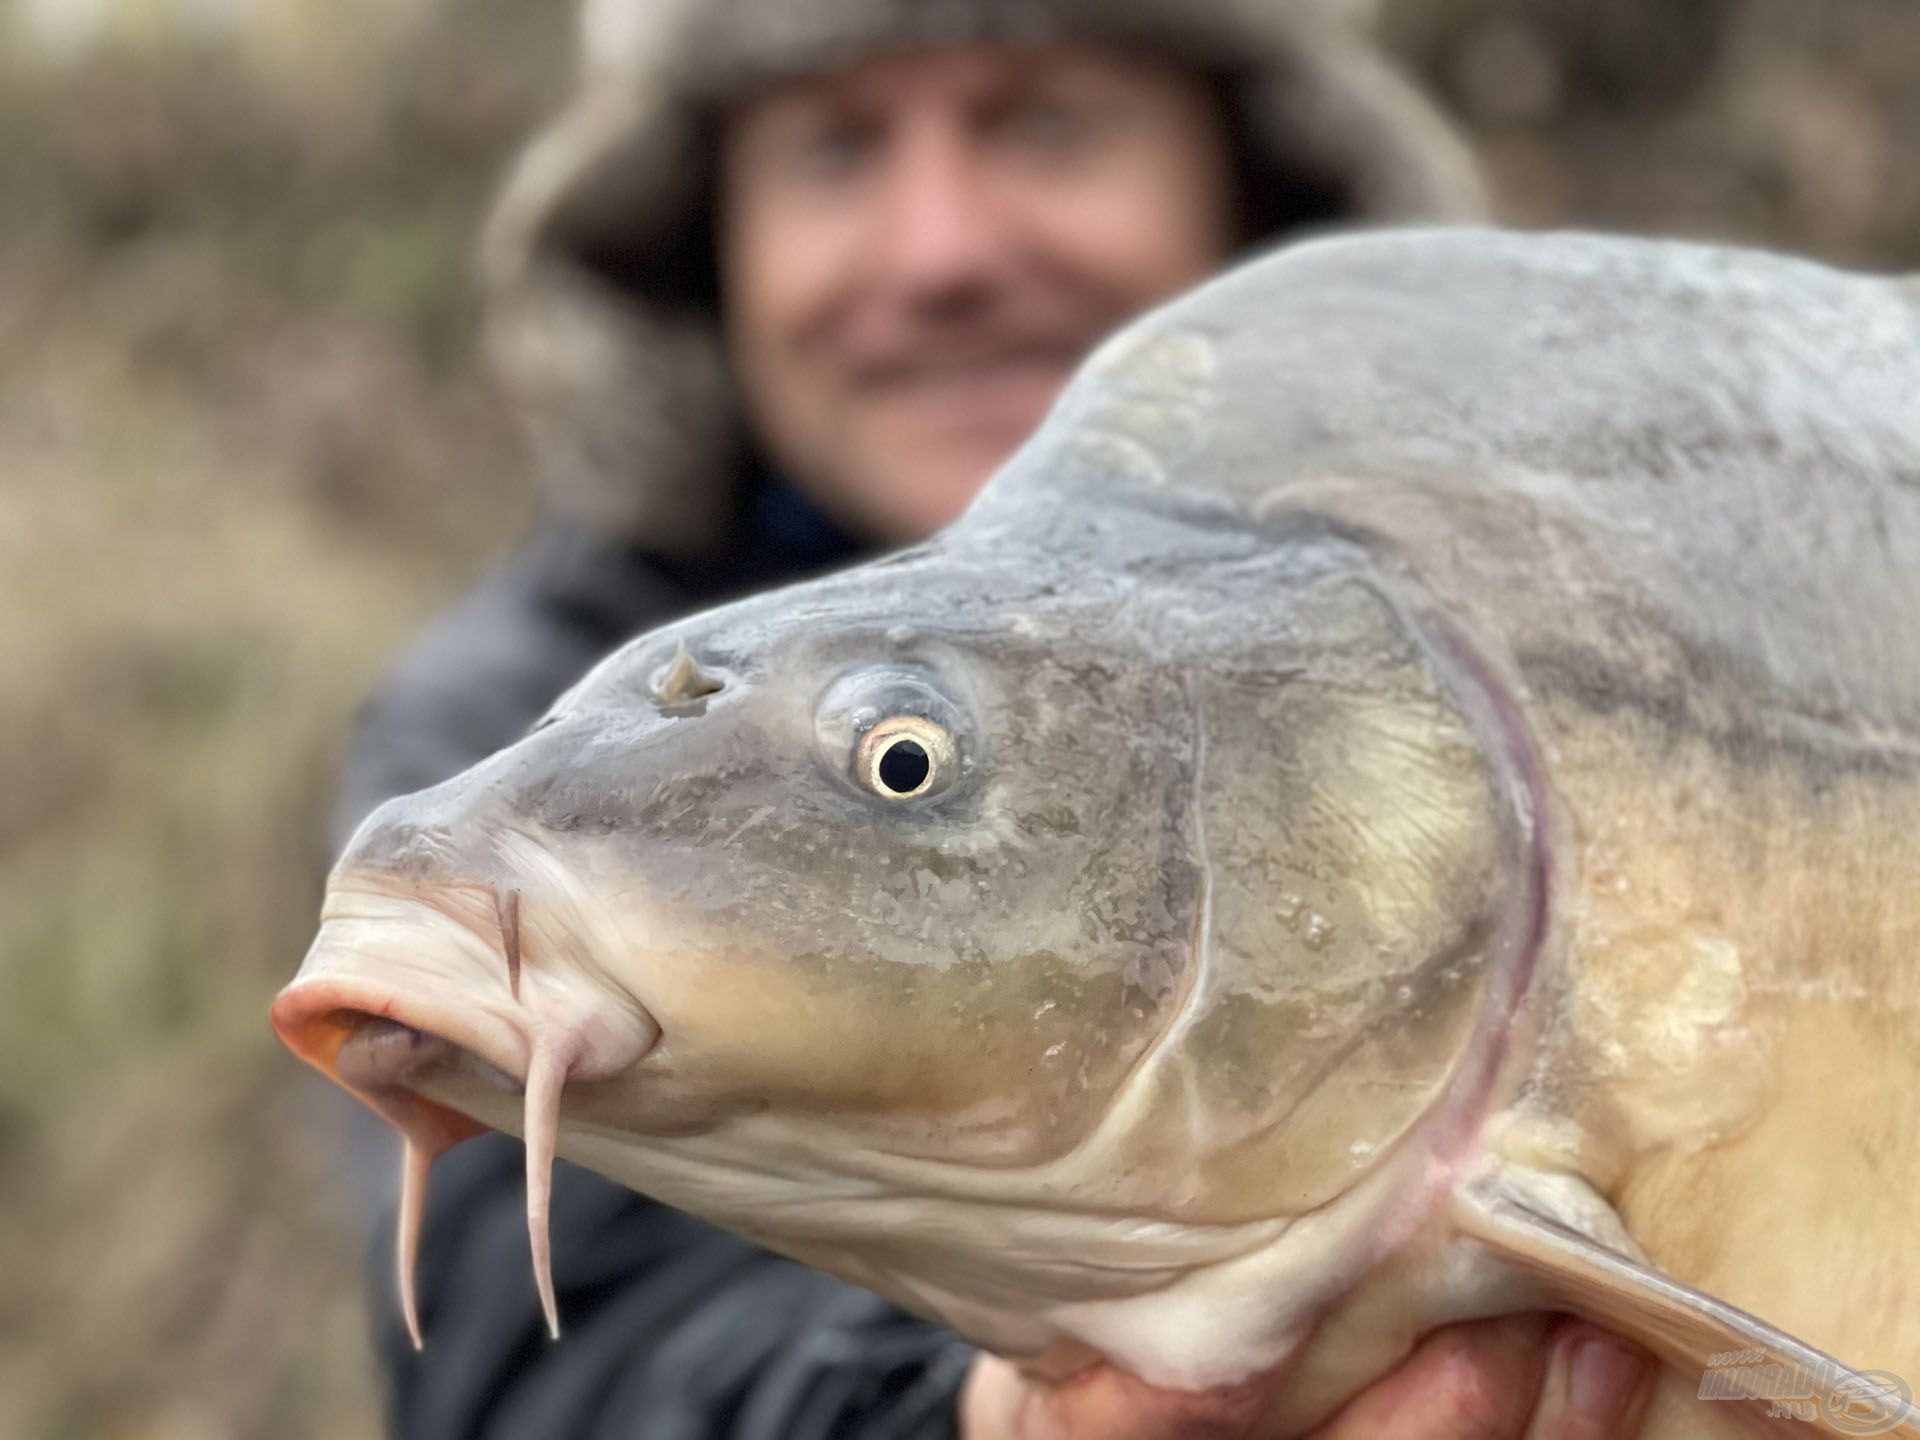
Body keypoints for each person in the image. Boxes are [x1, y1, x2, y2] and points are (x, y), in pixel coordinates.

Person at [332, 0, 1653, 1435]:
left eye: (1045, 123)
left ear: (1251, 180)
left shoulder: (1597, 606)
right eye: (836, 149)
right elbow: (548, 1363)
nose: (943, 251)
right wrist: (964, 1420)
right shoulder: (517, 738)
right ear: (707, 232)